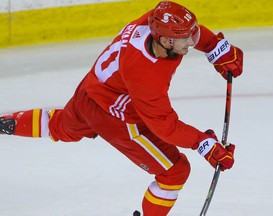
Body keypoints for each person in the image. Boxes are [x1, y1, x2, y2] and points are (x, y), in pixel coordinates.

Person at [0, 1, 243, 215]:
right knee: (175, 171)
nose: (193, 40)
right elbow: (165, 126)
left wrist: (214, 47)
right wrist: (203, 144)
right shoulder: (145, 75)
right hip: (116, 119)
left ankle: (4, 123)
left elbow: (192, 33)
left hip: (89, 91)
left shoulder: (156, 20)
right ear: (167, 40)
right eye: (186, 38)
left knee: (61, 126)